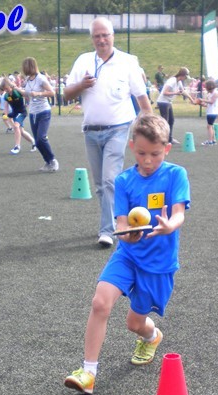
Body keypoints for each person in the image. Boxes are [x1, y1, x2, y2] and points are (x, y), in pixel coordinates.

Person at [63, 114, 189, 395]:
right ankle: (88, 373)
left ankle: (151, 336)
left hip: (158, 264)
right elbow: (121, 223)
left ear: (167, 149)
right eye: (142, 153)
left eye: (155, 154)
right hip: (128, 255)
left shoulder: (175, 175)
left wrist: (170, 225)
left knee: (134, 323)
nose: (148, 160)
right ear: (132, 146)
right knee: (100, 303)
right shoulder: (124, 181)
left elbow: (179, 213)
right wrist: (127, 235)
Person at [63, 17, 152, 248]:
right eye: (97, 36)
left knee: (110, 180)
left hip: (119, 128)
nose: (101, 40)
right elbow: (66, 95)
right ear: (91, 38)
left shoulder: (128, 62)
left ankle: (107, 231)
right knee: (101, 186)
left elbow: (143, 100)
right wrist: (81, 85)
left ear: (113, 35)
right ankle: (116, 218)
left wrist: (150, 129)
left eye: (105, 35)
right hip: (90, 131)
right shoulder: (83, 61)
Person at [22, 57, 59, 172]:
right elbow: (27, 94)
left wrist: (38, 93)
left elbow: (52, 92)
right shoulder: (27, 80)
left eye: (25, 67)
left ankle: (53, 160)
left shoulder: (41, 78)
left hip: (43, 111)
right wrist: (16, 89)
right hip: (33, 113)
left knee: (41, 138)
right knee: (37, 142)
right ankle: (47, 162)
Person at [0, 78, 35, 154]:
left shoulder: (16, 92)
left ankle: (17, 146)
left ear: (10, 86)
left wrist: (17, 88)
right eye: (4, 89)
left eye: (7, 88)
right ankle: (34, 142)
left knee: (16, 126)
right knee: (21, 132)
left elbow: (26, 95)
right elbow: (6, 107)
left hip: (22, 112)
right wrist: (5, 114)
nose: (6, 90)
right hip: (15, 113)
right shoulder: (6, 96)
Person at [156, 67, 190, 144]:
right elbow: (165, 92)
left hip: (168, 102)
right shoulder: (172, 81)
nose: (185, 79)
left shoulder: (179, 82)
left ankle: (169, 139)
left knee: (171, 120)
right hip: (163, 102)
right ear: (182, 75)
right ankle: (162, 139)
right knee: (165, 122)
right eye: (185, 77)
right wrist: (176, 93)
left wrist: (191, 99)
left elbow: (183, 91)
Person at [197, 79, 218, 146]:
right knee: (210, 126)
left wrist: (202, 100)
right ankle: (213, 140)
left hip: (212, 113)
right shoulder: (210, 94)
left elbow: (211, 102)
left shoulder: (215, 93)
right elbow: (208, 104)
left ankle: (210, 141)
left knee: (209, 127)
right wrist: (200, 103)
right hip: (210, 112)